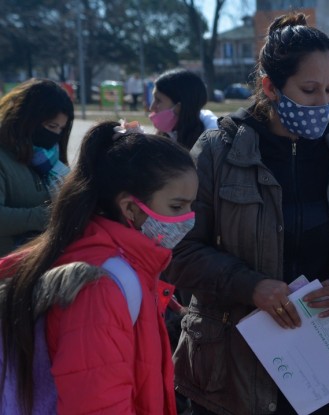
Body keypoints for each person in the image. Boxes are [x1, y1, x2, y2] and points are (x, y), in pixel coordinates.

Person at [168, 13, 329, 415]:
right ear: (271, 87)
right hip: (231, 378)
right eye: (309, 90)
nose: (323, 103)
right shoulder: (216, 154)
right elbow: (176, 252)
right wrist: (250, 286)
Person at [0, 120, 197, 414]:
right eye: (177, 207)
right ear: (129, 208)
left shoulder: (115, 261)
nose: (188, 219)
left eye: (192, 206)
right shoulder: (101, 287)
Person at [0, 78, 74, 257]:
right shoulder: (4, 158)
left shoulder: (50, 161)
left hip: (37, 265)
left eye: (60, 129)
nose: (55, 135)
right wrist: (48, 216)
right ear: (26, 118)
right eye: (51, 126)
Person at [150, 69, 218, 150]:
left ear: (179, 107)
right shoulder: (167, 133)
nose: (152, 107)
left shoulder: (213, 138)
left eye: (158, 100)